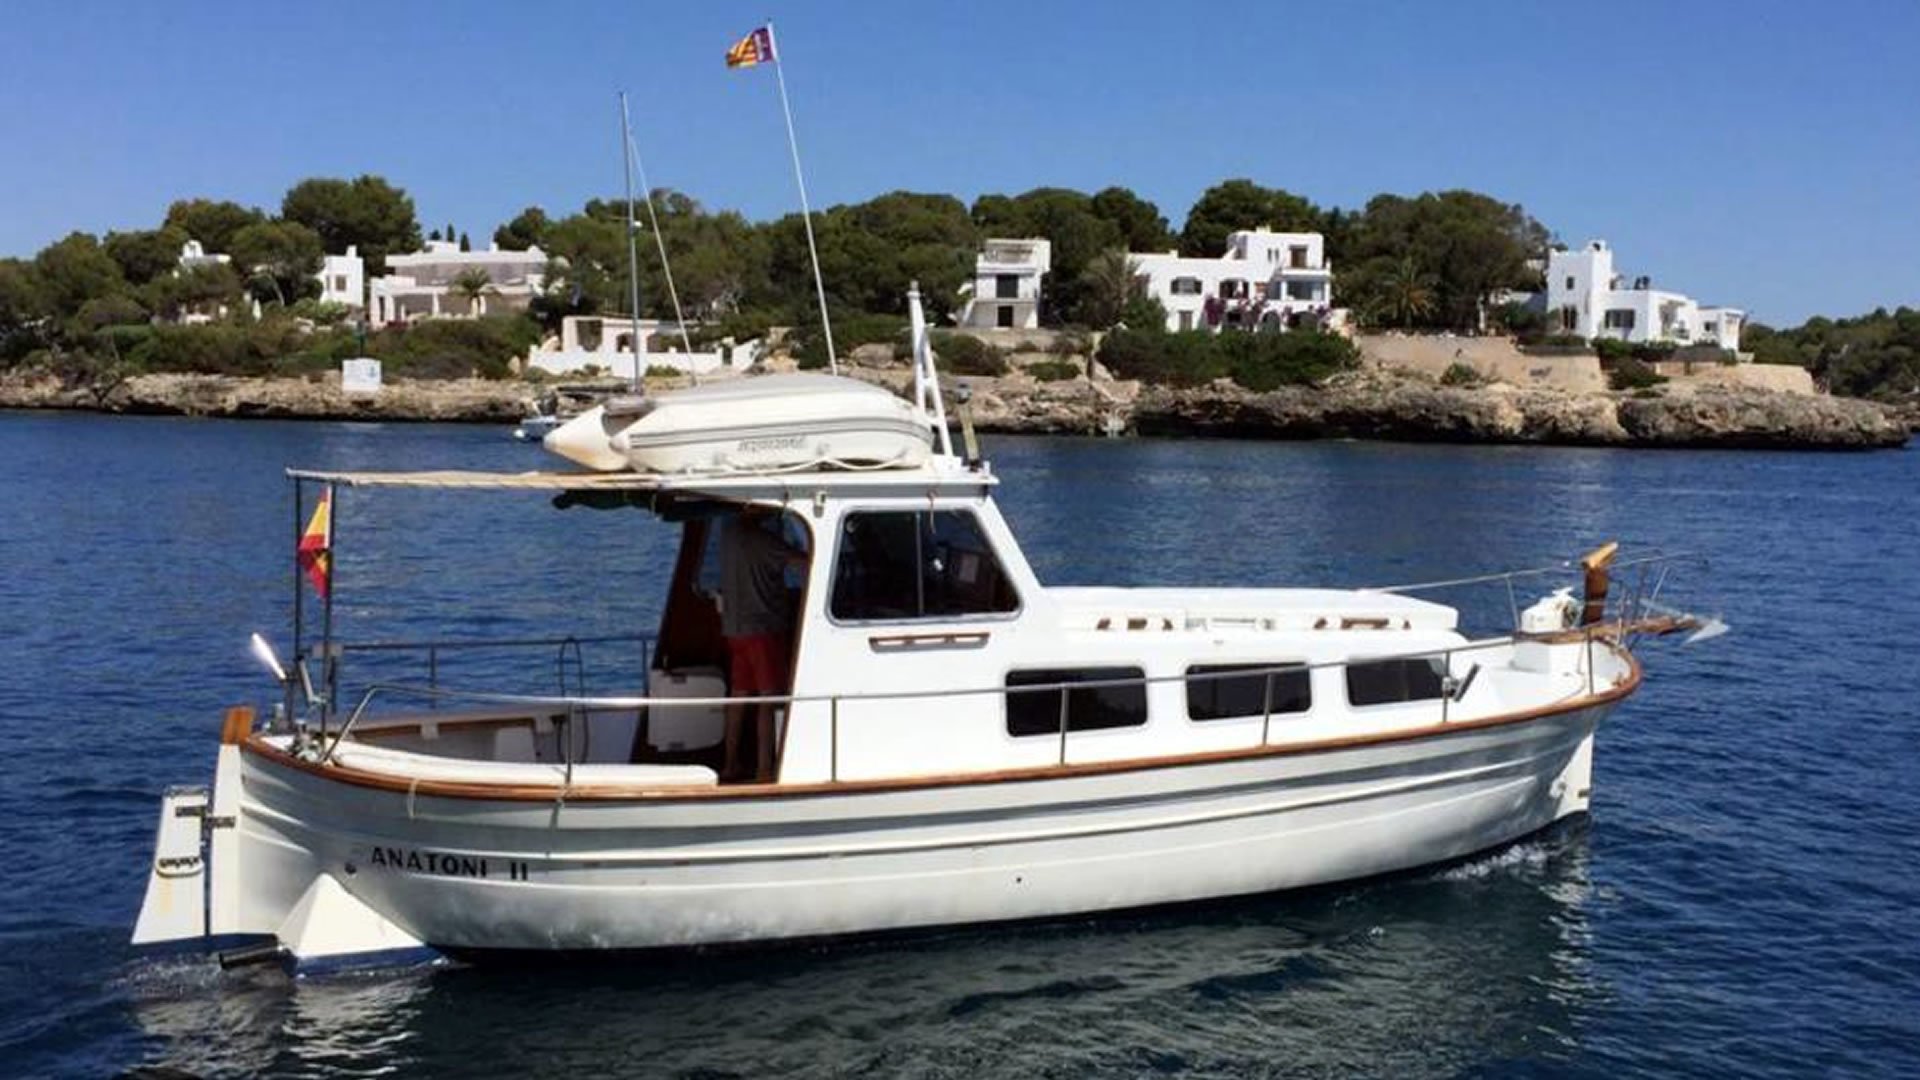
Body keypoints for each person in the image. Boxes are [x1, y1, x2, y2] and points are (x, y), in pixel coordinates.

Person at [717, 506, 805, 782]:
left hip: (735, 628)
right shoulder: (764, 541)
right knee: (768, 699)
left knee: (739, 696)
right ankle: (764, 769)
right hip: (763, 629)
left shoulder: (728, 535)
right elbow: (804, 561)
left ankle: (730, 764)